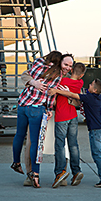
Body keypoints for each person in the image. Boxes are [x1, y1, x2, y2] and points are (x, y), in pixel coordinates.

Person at [12, 51, 67, 188]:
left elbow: (26, 75)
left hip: (22, 105)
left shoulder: (38, 62)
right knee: (36, 143)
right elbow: (50, 95)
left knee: (19, 135)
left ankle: (16, 162)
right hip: (36, 109)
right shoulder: (57, 75)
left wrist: (33, 82)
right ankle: (35, 174)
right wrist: (49, 109)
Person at [49, 79, 101, 188]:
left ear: (94, 89)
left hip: (95, 130)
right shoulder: (96, 96)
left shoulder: (89, 98)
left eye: (91, 84)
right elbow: (78, 92)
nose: (88, 85)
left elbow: (72, 95)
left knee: (96, 155)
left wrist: (56, 90)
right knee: (99, 152)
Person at [52, 60, 84, 188]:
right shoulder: (80, 83)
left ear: (71, 70)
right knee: (73, 145)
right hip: (73, 116)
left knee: (60, 145)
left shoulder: (62, 82)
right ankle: (76, 171)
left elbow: (53, 90)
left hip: (62, 116)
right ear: (81, 75)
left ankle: (60, 172)